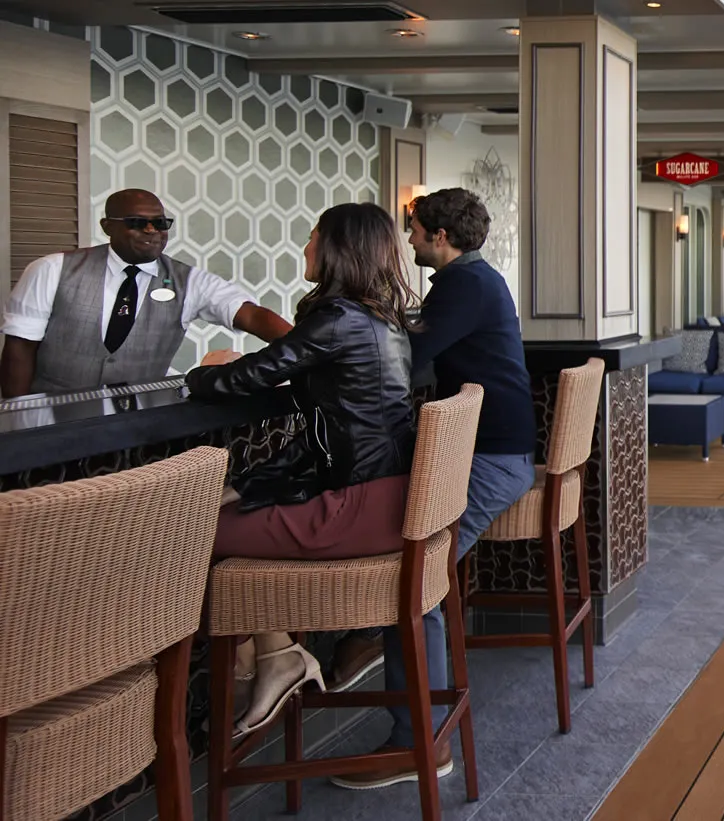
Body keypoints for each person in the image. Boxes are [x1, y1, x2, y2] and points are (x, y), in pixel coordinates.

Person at [185, 202, 423, 743]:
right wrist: (246, 484)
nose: (305, 248)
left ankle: (266, 661)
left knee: (196, 536)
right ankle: (275, 655)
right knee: (227, 509)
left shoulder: (338, 319)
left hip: (359, 508)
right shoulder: (382, 318)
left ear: (337, 248)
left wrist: (206, 371)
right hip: (392, 499)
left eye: (313, 238)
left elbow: (244, 378)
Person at [330, 187, 537, 790]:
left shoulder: (461, 286)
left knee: (411, 582)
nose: (410, 240)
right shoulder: (473, 281)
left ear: (438, 238)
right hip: (499, 454)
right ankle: (378, 654)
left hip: (491, 462)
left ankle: (416, 740)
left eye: (415, 231)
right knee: (414, 578)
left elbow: (410, 355)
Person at [1, 188, 291, 397]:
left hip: (140, 425)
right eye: (138, 223)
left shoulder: (188, 280)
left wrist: (306, 347)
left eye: (161, 223)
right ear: (107, 226)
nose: (152, 230)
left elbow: (250, 314)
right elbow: (19, 348)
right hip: (55, 418)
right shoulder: (51, 269)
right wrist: (17, 419)